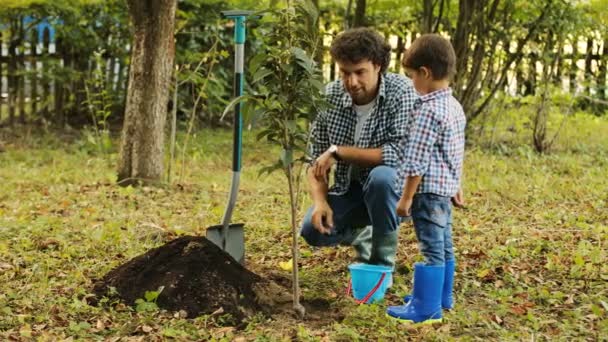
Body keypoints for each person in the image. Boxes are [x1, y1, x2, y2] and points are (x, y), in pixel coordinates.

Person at [300, 27, 417, 270]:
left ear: (378, 66)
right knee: (313, 230)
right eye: (345, 73)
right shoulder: (329, 97)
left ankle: (382, 262)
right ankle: (363, 235)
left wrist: (339, 151)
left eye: (360, 72)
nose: (351, 82)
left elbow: (399, 154)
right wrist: (320, 201)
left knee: (381, 177)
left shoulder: (402, 91)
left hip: (396, 192)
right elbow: (315, 161)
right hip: (350, 191)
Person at [386, 34, 466, 324]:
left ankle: (426, 308)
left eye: (411, 76)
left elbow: (417, 162)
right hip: (444, 191)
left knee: (431, 247)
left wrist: (406, 198)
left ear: (425, 73)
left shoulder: (427, 111)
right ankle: (442, 297)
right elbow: (455, 151)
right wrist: (457, 185)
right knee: (444, 244)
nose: (410, 83)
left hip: (426, 192)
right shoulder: (453, 106)